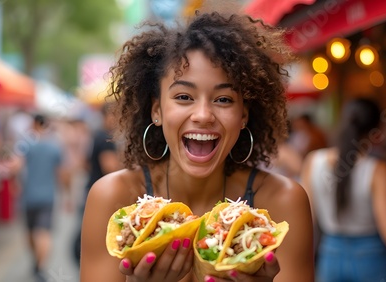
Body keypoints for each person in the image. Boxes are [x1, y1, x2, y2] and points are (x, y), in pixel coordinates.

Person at [80, 8, 314, 282]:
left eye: (223, 99)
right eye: (183, 96)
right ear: (157, 110)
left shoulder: (283, 202)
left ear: (244, 115)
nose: (203, 115)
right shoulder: (113, 199)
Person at [300, 98, 386, 282]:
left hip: (329, 257)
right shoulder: (377, 169)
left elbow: (307, 224)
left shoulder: (313, 161)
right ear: (377, 130)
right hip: (370, 259)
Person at [73, 102, 123, 264]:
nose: (118, 119)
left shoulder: (97, 135)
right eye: (115, 115)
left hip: (91, 189)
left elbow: (85, 163)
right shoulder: (105, 137)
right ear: (107, 116)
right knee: (99, 239)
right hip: (101, 195)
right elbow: (110, 167)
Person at [19, 114, 68, 281]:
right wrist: (67, 195)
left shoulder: (27, 144)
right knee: (44, 232)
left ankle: (37, 262)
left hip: (28, 195)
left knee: (31, 232)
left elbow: (16, 166)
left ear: (34, 124)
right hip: (47, 196)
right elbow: (62, 174)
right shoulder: (55, 146)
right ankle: (40, 267)